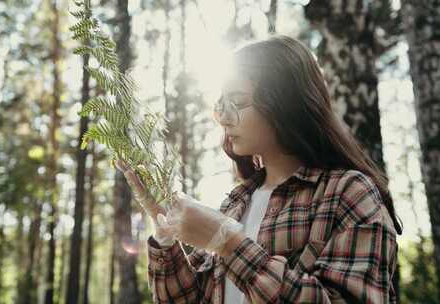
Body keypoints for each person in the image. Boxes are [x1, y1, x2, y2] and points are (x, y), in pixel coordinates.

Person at [115, 34, 403, 304]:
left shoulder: (348, 192)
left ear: (286, 103)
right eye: (221, 105)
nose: (223, 119)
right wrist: (164, 229)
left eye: (238, 102)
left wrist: (229, 243)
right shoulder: (236, 203)